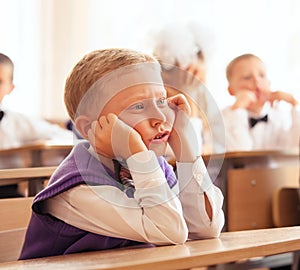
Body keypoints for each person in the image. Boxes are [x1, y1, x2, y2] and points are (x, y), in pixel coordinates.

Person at [19, 48, 225, 259]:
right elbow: (170, 232)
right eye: (138, 106)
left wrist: (187, 151)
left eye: (162, 101)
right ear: (89, 128)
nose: (160, 117)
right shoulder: (78, 186)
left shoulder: (152, 167)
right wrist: (137, 153)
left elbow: (205, 228)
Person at [149, 22, 224, 155]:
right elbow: (190, 151)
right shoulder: (158, 103)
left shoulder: (202, 95)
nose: (200, 78)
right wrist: (187, 96)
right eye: (194, 72)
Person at [220, 53, 300, 151]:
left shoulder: (280, 115)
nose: (257, 81)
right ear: (231, 90)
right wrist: (238, 109)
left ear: (269, 82)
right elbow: (240, 152)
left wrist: (295, 104)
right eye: (247, 77)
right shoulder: (224, 118)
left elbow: (293, 149)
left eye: (261, 75)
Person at [0, 53, 74, 151]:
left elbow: (67, 137)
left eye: (0, 82)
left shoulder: (17, 122)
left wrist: (38, 145)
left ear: (11, 88)